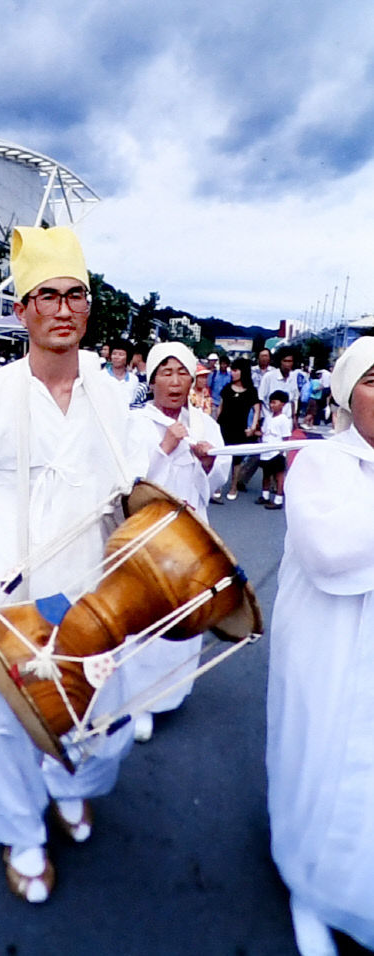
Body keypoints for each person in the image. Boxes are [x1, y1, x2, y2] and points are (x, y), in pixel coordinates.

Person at [0, 226, 142, 903]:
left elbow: (130, 495)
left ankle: (71, 784)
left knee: (105, 714)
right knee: (5, 722)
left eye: (75, 294)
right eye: (46, 295)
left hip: (89, 588)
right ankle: (21, 834)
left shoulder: (110, 396)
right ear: (22, 312)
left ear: (87, 307)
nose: (62, 308)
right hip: (4, 588)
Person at [266, 336, 374, 956]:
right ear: (345, 394)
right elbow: (329, 553)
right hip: (324, 640)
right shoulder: (320, 463)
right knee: (320, 755)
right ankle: (305, 885)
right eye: (373, 381)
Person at [124, 341, 230, 742]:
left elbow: (220, 477)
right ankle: (136, 702)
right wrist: (164, 449)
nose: (173, 382)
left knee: (184, 612)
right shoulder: (134, 423)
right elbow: (127, 482)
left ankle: (169, 693)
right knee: (145, 615)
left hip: (193, 531)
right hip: (148, 534)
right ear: (151, 380)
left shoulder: (206, 424)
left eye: (181, 372)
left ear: (193, 378)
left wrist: (208, 463)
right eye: (164, 373)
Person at [216, 357, 261, 500]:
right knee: (221, 457)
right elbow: (220, 407)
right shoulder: (227, 389)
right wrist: (215, 424)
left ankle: (233, 486)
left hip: (239, 428)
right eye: (232, 370)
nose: (233, 373)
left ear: (243, 372)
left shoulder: (251, 391)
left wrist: (253, 427)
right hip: (223, 426)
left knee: (237, 460)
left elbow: (257, 409)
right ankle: (218, 486)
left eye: (236, 370)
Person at [256, 391, 292, 510]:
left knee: (278, 476)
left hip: (277, 451)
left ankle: (278, 499)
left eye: (275, 402)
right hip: (266, 450)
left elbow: (286, 437)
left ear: (282, 404)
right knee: (266, 474)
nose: (272, 405)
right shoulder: (267, 418)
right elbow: (264, 432)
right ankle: (265, 496)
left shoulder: (284, 420)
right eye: (271, 403)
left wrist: (283, 452)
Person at [258, 347, 299, 420]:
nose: (287, 364)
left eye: (290, 361)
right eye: (285, 361)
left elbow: (293, 400)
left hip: (287, 419)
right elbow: (260, 399)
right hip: (269, 418)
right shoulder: (269, 376)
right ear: (280, 361)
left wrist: (294, 419)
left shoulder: (293, 377)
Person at [102, 338, 139, 409]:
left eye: (121, 354)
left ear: (128, 357)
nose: (116, 357)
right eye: (114, 354)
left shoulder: (133, 379)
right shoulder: (101, 376)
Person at [207, 353, 231, 418]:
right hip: (214, 403)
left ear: (228, 365)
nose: (223, 366)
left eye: (225, 364)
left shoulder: (230, 376)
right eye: (222, 364)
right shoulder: (213, 374)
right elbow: (208, 386)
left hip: (225, 404)